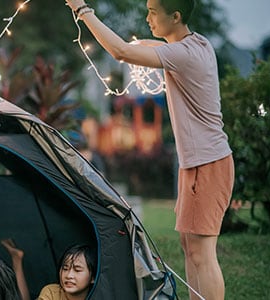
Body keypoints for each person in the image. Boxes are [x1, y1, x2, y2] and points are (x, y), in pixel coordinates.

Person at [63, 0, 234, 299]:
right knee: (190, 248)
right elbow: (138, 45)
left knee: (202, 254)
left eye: (154, 12)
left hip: (208, 165)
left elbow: (122, 51)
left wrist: (83, 9)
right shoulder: (195, 44)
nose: (147, 17)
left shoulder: (184, 54)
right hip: (198, 164)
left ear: (176, 16)